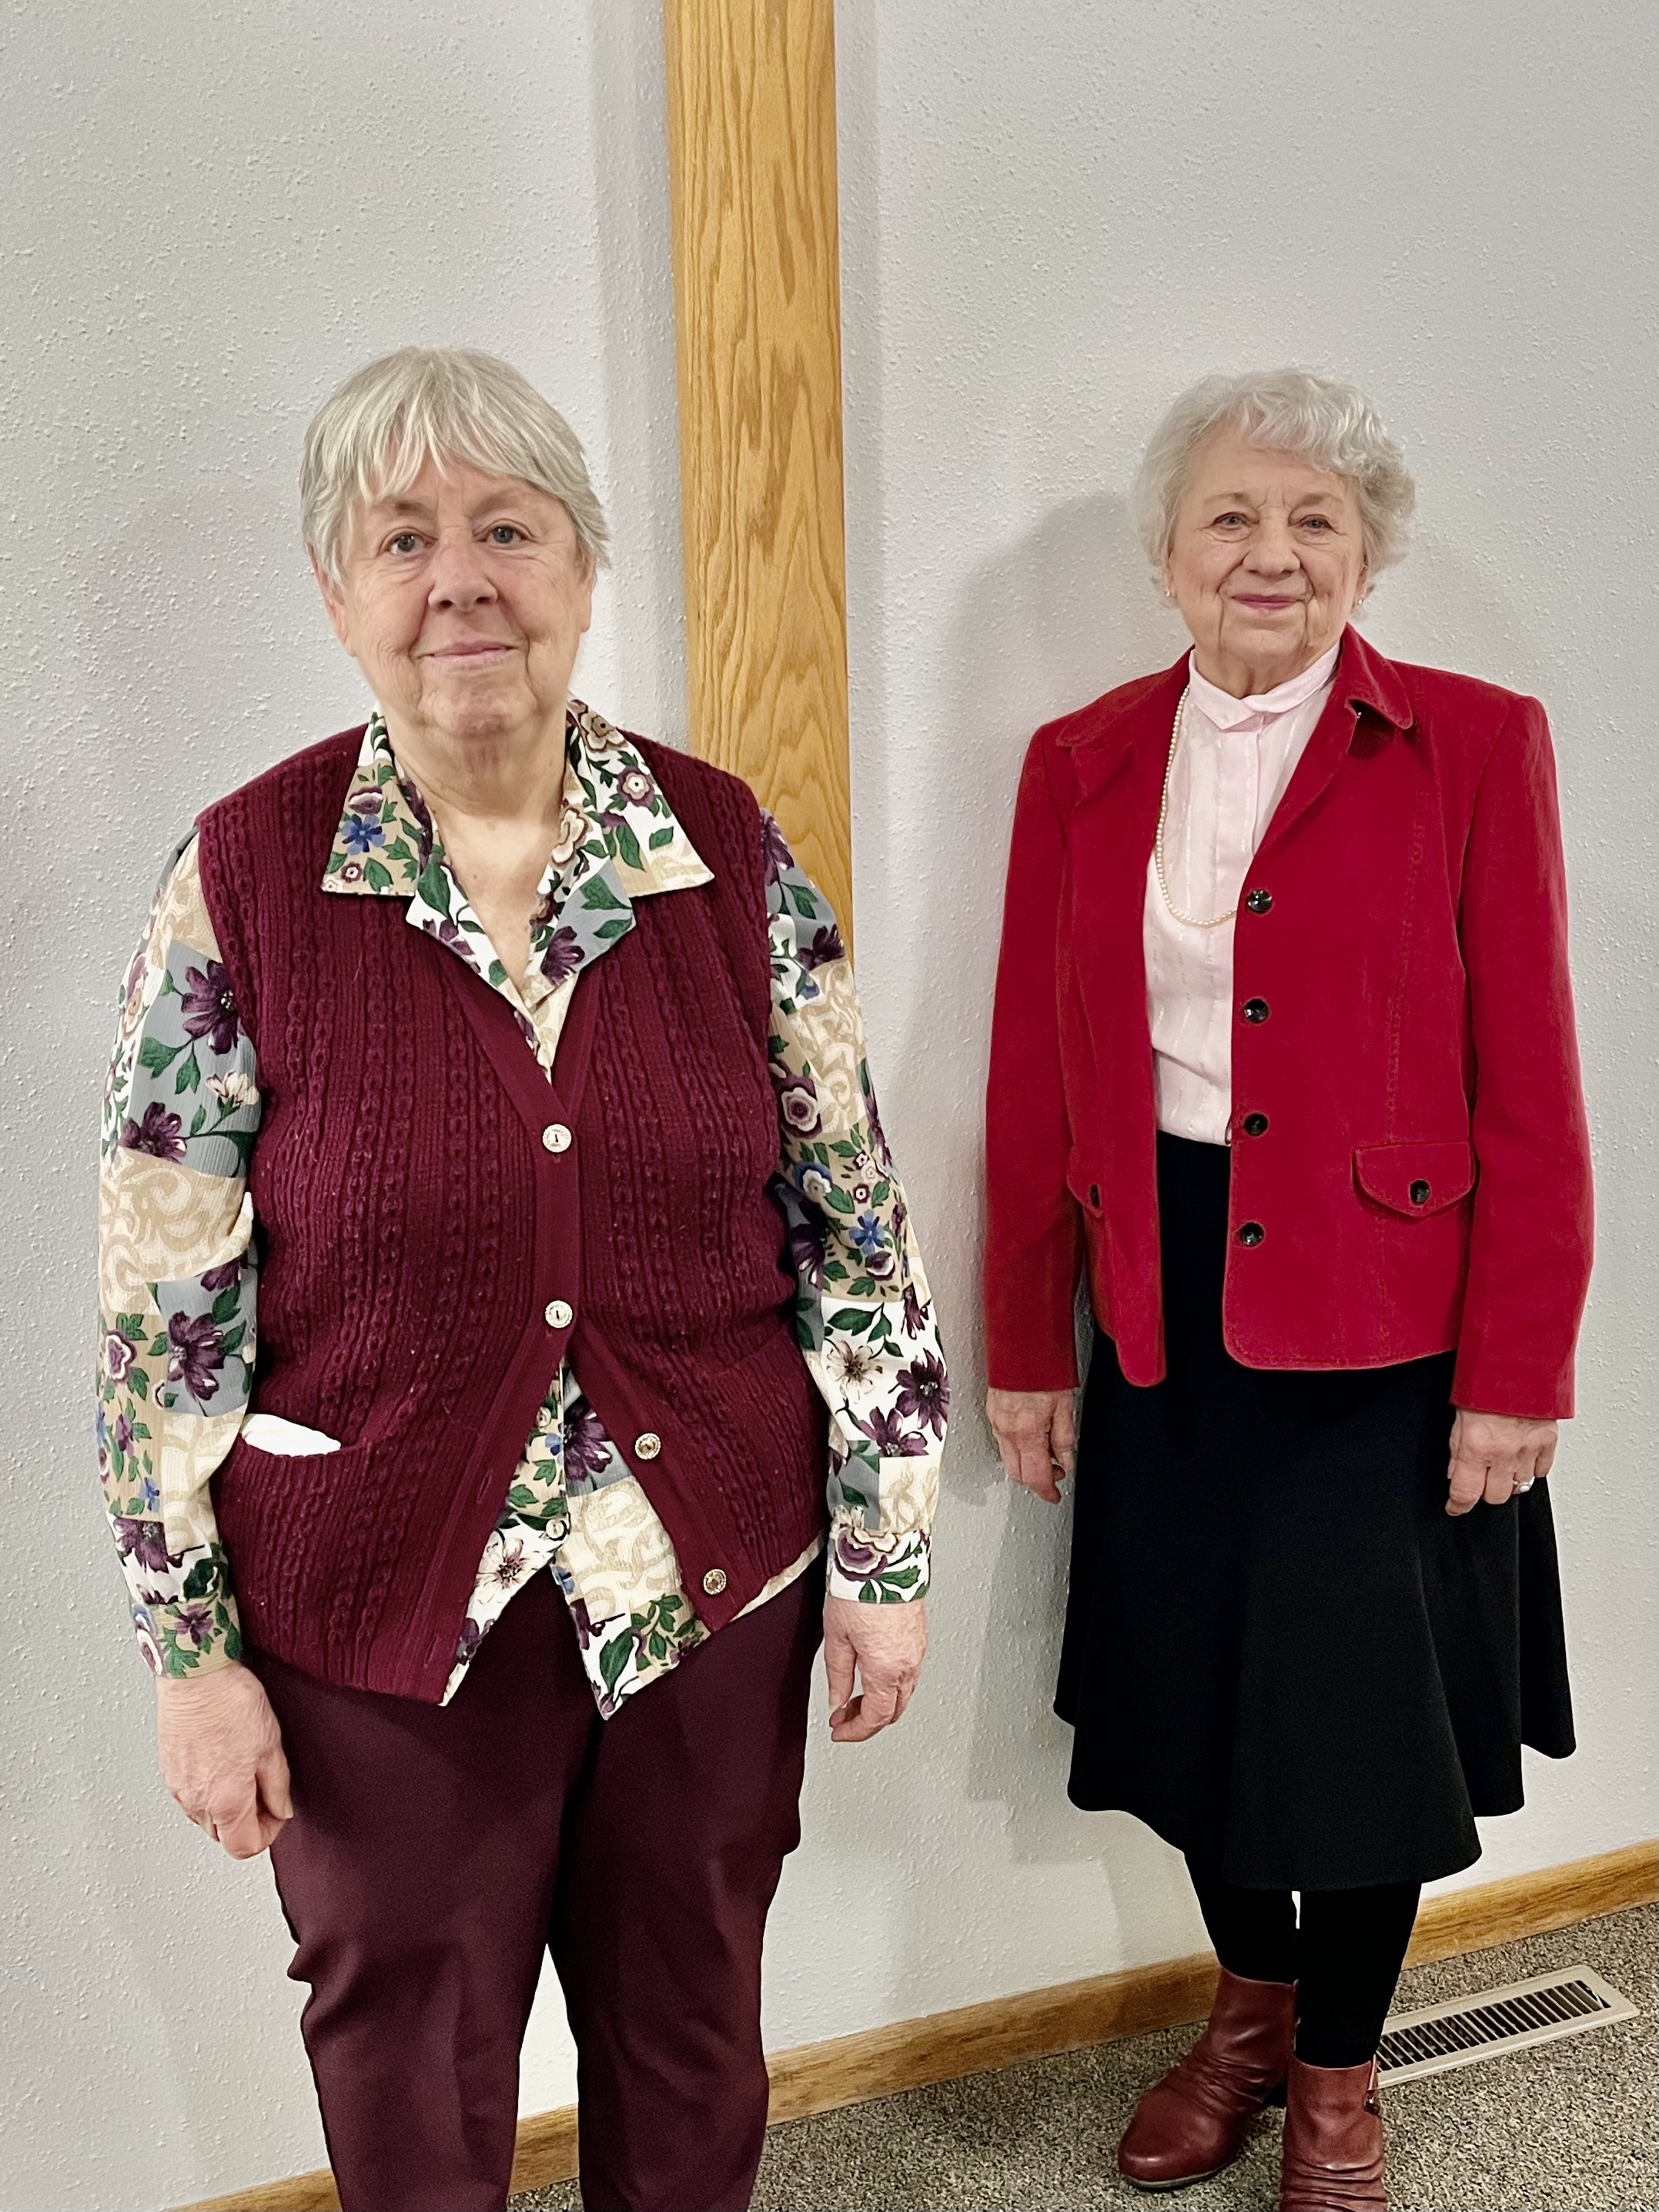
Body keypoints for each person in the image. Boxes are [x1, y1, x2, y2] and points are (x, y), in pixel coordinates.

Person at [96, 346, 944, 2212]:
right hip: (376, 1604)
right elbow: (161, 1314)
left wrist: (884, 1562)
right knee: (405, 2068)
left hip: (705, 1583)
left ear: (581, 564)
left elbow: (854, 1231)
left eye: (507, 529)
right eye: (402, 540)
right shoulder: (242, 877)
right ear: (336, 593)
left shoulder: (724, 852)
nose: (459, 582)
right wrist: (192, 1659)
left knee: (691, 2038)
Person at [983, 367, 1590, 2211]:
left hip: (1385, 1319)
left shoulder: (1472, 743)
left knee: (1357, 1721)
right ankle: (1245, 2016)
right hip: (1161, 1294)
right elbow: (1034, 1074)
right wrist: (1024, 1344)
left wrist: (1517, 1369)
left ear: (1366, 554)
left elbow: (1530, 1077)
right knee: (1191, 1691)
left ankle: (1336, 2077)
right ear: (1167, 555)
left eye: (1313, 519)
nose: (1270, 553)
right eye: (1230, 518)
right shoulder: (1080, 761)